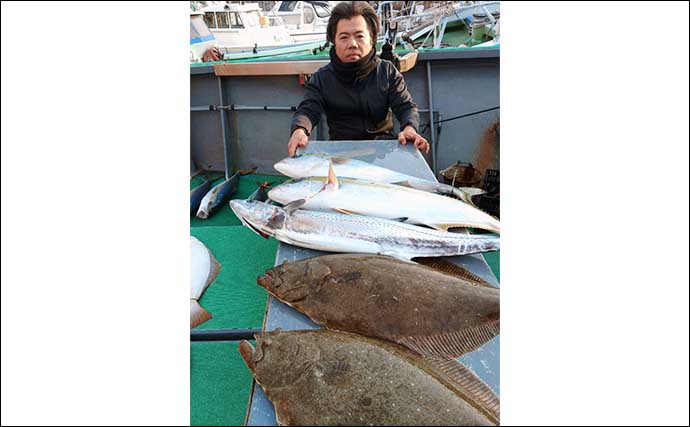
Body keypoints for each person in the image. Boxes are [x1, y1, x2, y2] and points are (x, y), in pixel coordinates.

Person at [287, 1, 429, 156]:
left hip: (383, 154)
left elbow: (406, 107)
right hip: (341, 155)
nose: (352, 44)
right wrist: (300, 129)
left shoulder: (387, 71)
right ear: (333, 41)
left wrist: (409, 127)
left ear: (372, 38)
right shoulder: (322, 78)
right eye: (344, 37)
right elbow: (308, 109)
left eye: (359, 36)